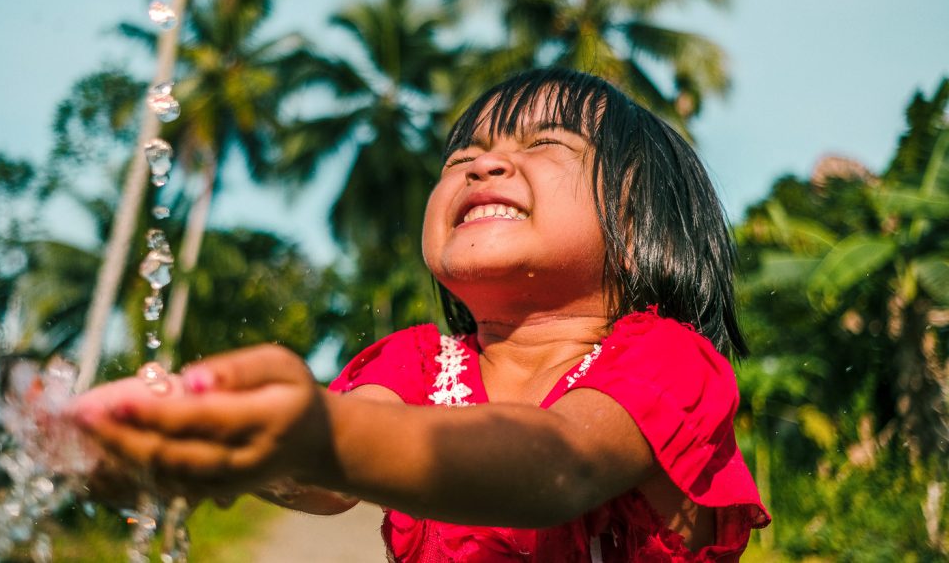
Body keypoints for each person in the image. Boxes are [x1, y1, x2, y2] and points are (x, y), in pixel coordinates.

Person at [73, 68, 770, 561]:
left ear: (635, 213)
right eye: (463, 156)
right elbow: (329, 473)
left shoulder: (668, 363)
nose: (482, 166)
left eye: (544, 145)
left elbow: (560, 467)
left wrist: (309, 434)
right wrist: (216, 443)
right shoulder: (416, 365)